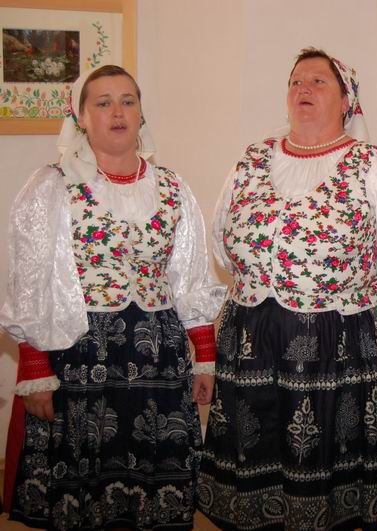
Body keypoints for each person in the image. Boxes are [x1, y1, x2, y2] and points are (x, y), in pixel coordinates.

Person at [197, 48, 377, 530]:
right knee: (255, 454)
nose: (303, 88)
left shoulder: (372, 166)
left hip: (335, 343)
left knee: (322, 460)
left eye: (318, 81)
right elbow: (221, 243)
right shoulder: (252, 159)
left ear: (346, 102)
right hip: (253, 336)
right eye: (296, 81)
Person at [0, 65, 225, 530]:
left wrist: (204, 356)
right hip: (79, 354)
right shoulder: (52, 186)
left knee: (153, 482)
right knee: (86, 484)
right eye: (103, 103)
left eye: (128, 101)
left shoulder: (172, 187)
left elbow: (190, 277)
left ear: (141, 113)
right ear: (81, 117)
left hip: (158, 358)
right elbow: (30, 281)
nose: (117, 112)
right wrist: (36, 369)